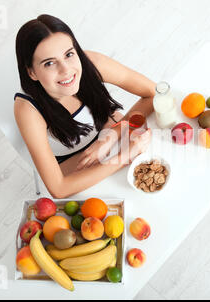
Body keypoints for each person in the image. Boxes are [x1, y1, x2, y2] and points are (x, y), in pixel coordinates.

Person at [14, 14, 154, 198]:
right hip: (77, 169)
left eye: (69, 54)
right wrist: (122, 158)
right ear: (32, 72)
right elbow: (59, 189)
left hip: (113, 135)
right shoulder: (28, 110)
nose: (66, 70)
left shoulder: (91, 63)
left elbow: (153, 93)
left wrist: (109, 137)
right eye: (49, 63)